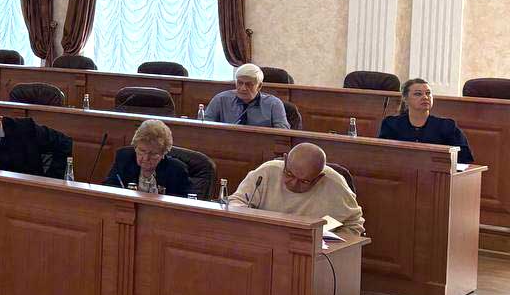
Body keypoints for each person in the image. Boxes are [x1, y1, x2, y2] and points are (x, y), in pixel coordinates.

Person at [229, 142, 366, 235]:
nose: (293, 184)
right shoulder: (266, 172)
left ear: (319, 178)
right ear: (285, 160)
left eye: (304, 181)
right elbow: (237, 201)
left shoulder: (335, 184)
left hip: (314, 250)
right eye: (289, 174)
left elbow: (354, 223)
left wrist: (331, 246)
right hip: (264, 241)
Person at [378, 77, 474, 164]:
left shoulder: (447, 126)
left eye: (428, 93)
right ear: (405, 99)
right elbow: (381, 155)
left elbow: (464, 158)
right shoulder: (391, 124)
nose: (425, 97)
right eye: (418, 94)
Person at [103, 119, 192, 197]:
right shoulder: (124, 159)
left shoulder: (177, 170)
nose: (146, 158)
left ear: (163, 153)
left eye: (153, 154)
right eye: (142, 151)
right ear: (135, 147)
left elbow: (187, 203)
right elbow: (108, 190)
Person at [202, 64, 289, 129]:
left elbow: (282, 134)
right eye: (240, 83)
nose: (243, 88)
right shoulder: (220, 99)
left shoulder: (274, 104)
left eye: (249, 84)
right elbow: (204, 127)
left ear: (259, 86)